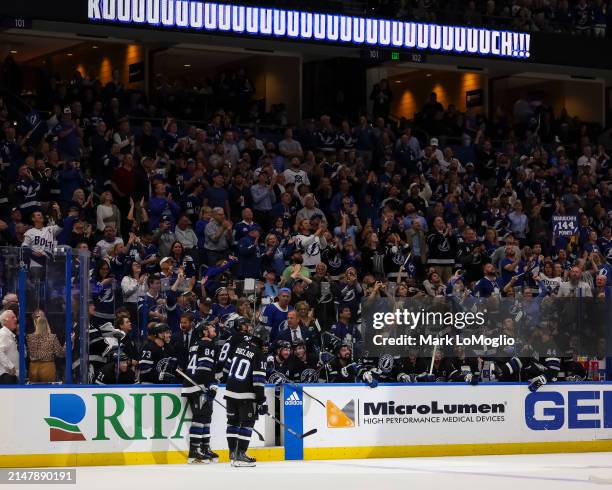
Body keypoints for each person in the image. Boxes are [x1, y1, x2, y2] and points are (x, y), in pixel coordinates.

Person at [224, 328, 268, 467]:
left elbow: (227, 367)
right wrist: (261, 401)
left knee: (233, 422)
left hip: (230, 391)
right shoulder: (259, 354)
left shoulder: (240, 347)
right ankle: (240, 454)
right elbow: (258, 381)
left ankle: (233, 453)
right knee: (247, 423)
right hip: (246, 394)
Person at [182, 321, 220, 464]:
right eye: (210, 327)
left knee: (205, 416)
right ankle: (194, 452)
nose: (213, 328)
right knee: (199, 417)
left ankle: (204, 448)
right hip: (198, 385)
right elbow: (205, 368)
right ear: (205, 332)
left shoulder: (195, 344)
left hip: (195, 383)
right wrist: (210, 386)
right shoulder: (208, 345)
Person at [26, 310, 65, 383]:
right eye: (38, 317)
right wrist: (68, 343)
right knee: (47, 391)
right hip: (47, 367)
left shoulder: (29, 337)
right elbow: (60, 353)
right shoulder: (52, 337)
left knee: (33, 392)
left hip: (33, 367)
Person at [0, 309, 19, 384]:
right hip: (6, 375)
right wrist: (10, 366)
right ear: (5, 321)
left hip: (10, 375)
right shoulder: (3, 334)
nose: (16, 319)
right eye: (12, 317)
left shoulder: (8, 334)